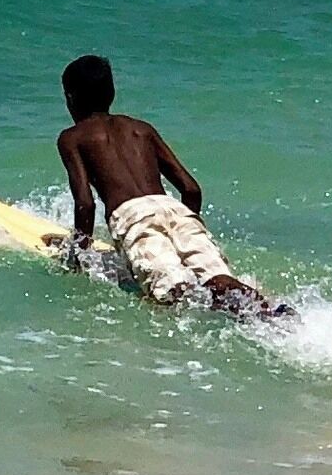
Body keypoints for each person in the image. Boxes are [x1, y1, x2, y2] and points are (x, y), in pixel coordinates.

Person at [56, 52, 277, 316]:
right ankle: (274, 314)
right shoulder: (142, 129)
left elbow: (85, 204)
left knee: (174, 293)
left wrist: (79, 256)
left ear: (70, 98)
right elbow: (191, 189)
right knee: (219, 281)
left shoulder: (72, 138)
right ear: (112, 92)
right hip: (176, 211)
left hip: (133, 217)